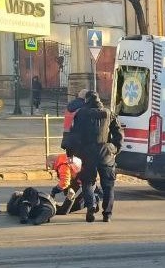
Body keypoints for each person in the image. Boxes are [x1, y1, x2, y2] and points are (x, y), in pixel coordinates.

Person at [70, 90, 122, 222]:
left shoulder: (81, 113)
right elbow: (118, 133)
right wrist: (115, 148)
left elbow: (74, 135)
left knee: (88, 182)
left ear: (86, 100)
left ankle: (91, 206)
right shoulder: (109, 113)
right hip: (106, 152)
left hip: (88, 153)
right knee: (108, 185)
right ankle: (107, 214)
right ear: (99, 100)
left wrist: (74, 153)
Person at [50, 148, 84, 215]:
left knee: (70, 207)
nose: (51, 168)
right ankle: (92, 201)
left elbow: (65, 182)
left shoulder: (63, 164)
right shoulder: (64, 158)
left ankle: (92, 201)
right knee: (70, 192)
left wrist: (55, 190)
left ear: (52, 162)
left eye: (49, 166)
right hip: (82, 179)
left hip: (82, 181)